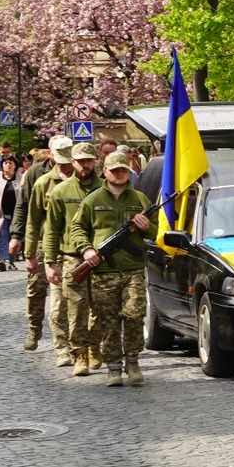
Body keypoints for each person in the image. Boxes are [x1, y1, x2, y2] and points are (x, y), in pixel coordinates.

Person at [67, 151, 154, 386]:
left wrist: (147, 227)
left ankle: (133, 362)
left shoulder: (140, 200)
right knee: (109, 321)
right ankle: (113, 368)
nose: (119, 174)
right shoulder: (93, 200)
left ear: (129, 171)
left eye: (123, 170)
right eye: (114, 170)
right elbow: (77, 229)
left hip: (133, 269)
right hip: (103, 271)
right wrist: (86, 250)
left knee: (135, 315)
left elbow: (156, 232)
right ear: (104, 171)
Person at [43, 142, 103, 375]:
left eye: (89, 160)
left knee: (101, 308)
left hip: (102, 259)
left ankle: (94, 346)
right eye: (80, 161)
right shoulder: (61, 191)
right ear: (73, 162)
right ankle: (79, 354)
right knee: (76, 309)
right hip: (72, 258)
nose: (85, 165)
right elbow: (52, 229)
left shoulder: (107, 189)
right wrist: (50, 262)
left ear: (95, 161)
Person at [23, 139, 76, 357]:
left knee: (70, 296)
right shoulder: (41, 180)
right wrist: (28, 251)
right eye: (59, 160)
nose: (63, 166)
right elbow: (31, 218)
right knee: (36, 288)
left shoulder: (81, 179)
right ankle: (34, 329)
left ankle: (71, 343)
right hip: (45, 243)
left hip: (72, 246)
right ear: (51, 155)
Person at [0, 154, 21, 269]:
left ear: (15, 165)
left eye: (10, 163)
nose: (8, 165)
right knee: (2, 236)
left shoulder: (21, 178)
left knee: (13, 237)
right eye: (5, 163)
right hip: (0, 214)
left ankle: (11, 260)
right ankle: (3, 260)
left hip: (17, 214)